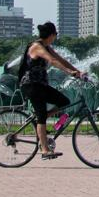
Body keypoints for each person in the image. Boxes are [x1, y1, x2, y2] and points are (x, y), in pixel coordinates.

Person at [16, 21, 84, 160]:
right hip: (31, 85)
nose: (55, 37)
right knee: (41, 115)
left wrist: (78, 72)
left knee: (64, 101)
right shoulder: (37, 47)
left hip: (40, 85)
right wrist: (68, 72)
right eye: (55, 35)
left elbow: (61, 59)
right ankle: (45, 150)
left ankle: (43, 118)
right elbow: (52, 61)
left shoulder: (47, 47)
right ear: (51, 35)